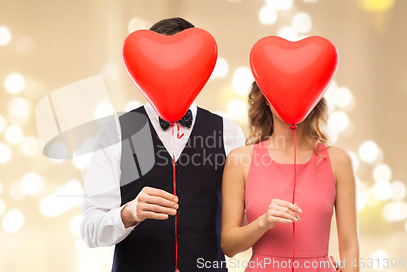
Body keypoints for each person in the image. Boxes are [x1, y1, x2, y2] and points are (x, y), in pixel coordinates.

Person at [80, 17, 246, 272]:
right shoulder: (115, 133)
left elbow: (243, 222)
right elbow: (90, 231)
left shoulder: (229, 133)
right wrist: (129, 213)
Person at [221, 81, 359, 271]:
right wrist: (263, 222)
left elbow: (350, 245)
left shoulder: (339, 161)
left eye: (299, 91)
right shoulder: (240, 160)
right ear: (266, 100)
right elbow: (228, 246)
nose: (290, 99)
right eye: (281, 90)